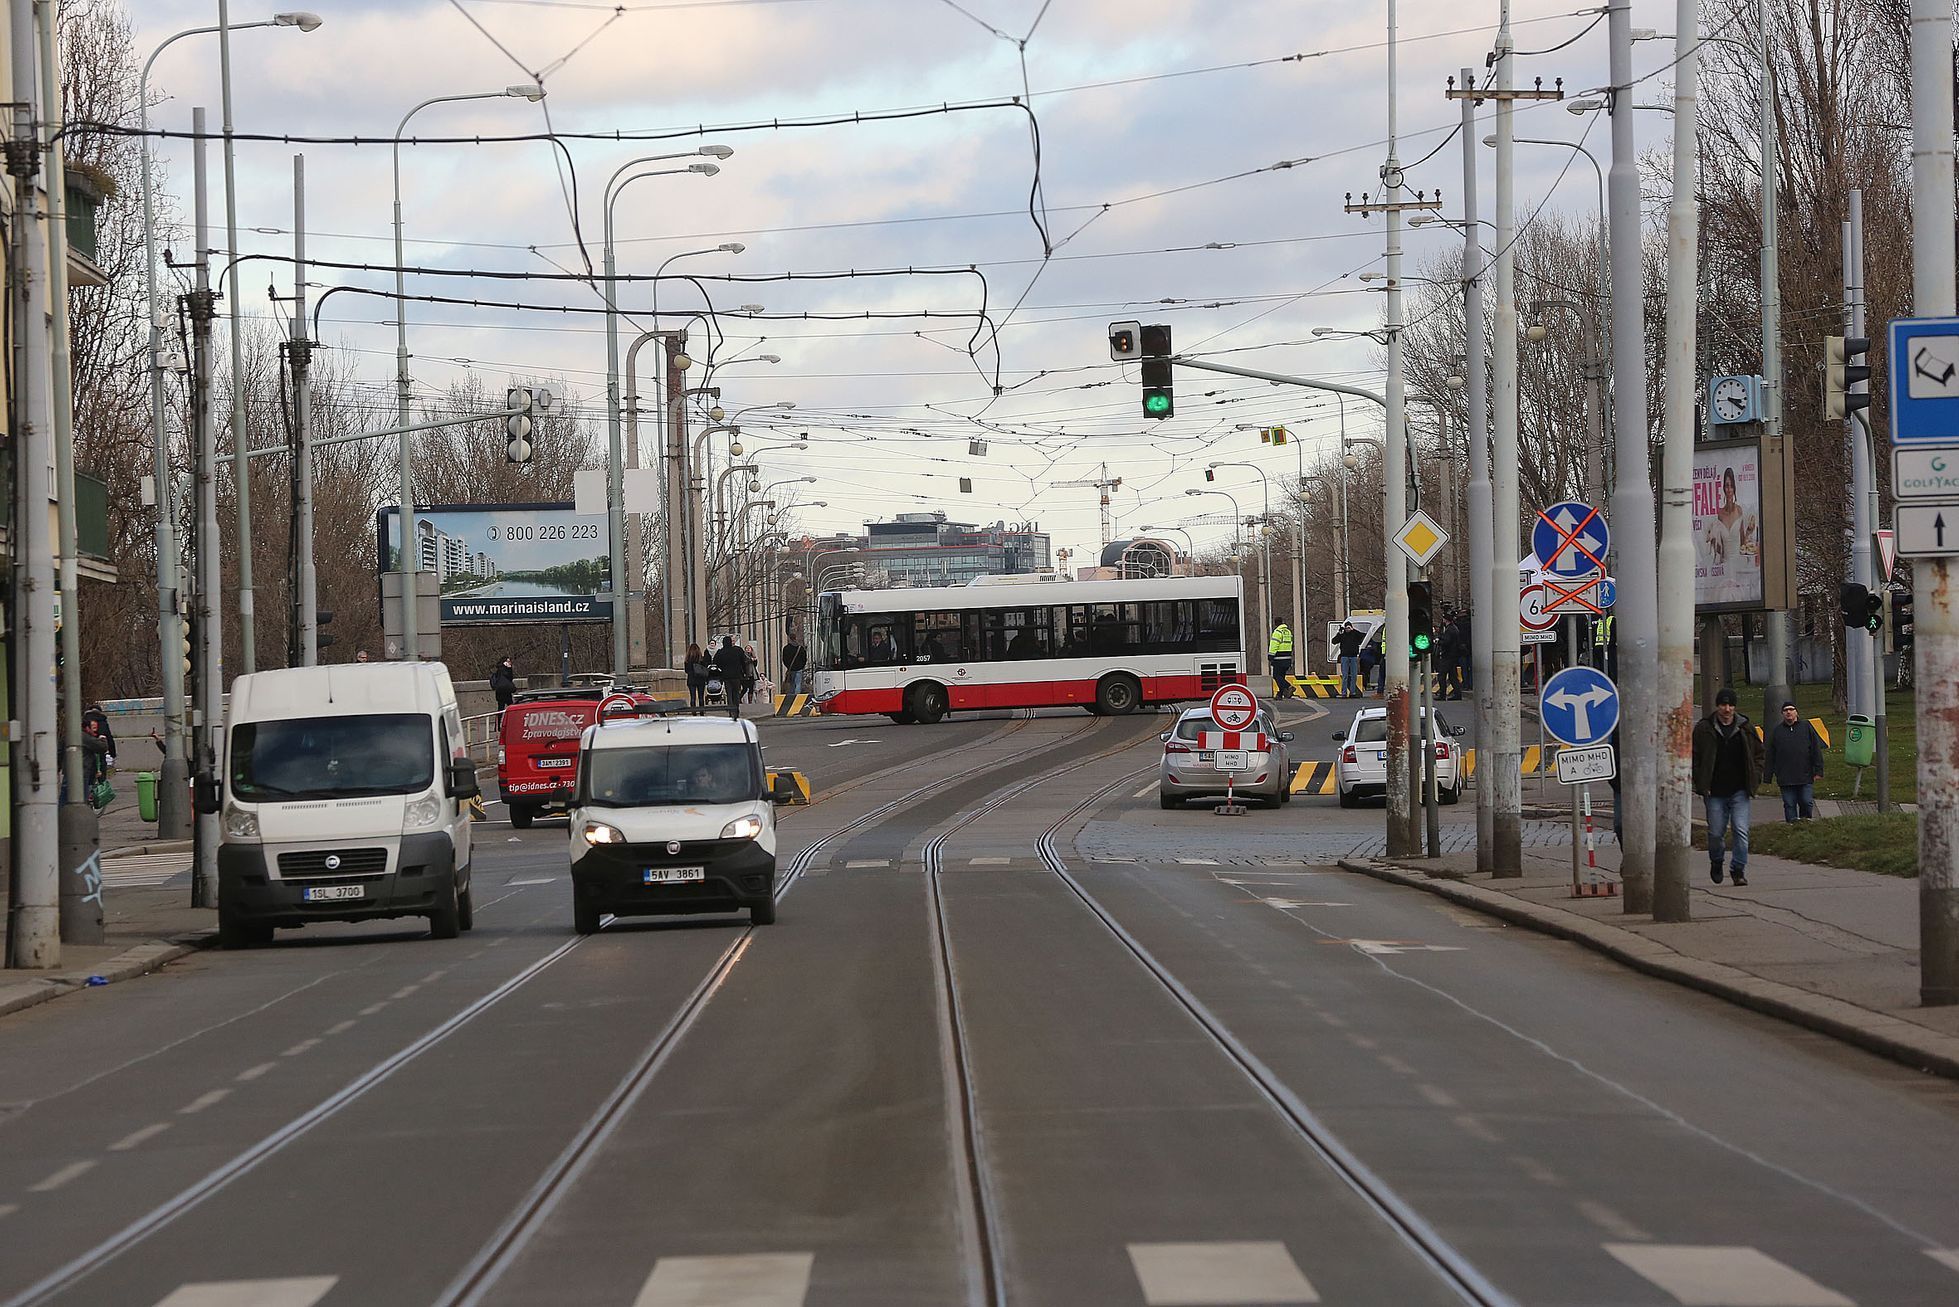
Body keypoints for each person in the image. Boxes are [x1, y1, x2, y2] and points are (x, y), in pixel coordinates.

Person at [1692, 687, 1763, 886]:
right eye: (1723, 705)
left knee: (1741, 830)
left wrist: (1755, 776)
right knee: (1716, 833)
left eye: (1730, 705)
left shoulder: (1745, 727)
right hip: (1714, 791)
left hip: (1740, 789)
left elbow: (1759, 754)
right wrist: (1699, 780)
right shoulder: (1704, 729)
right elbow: (1694, 756)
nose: (1727, 709)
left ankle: (1738, 869)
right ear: (1717, 706)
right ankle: (1716, 861)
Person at [1764, 700, 1826, 822]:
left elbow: (1815, 750)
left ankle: (1805, 822)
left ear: (1796, 712)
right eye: (1785, 710)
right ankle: (1791, 827)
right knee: (1789, 804)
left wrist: (1818, 770)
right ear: (1782, 714)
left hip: (1805, 775)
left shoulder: (1806, 727)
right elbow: (1771, 755)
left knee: (1806, 801)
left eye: (1791, 709)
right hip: (1785, 777)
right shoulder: (1777, 732)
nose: (1788, 712)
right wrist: (1768, 776)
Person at [713, 636, 748, 719]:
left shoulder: (720, 652)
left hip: (726, 676)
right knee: (736, 693)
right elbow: (743, 662)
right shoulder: (738, 650)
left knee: (729, 694)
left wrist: (722, 669)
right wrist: (744, 672)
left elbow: (716, 662)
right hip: (736, 675)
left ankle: (730, 710)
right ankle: (736, 709)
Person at [1334, 621, 1365, 698]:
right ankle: (1344, 693)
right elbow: (1334, 641)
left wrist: (1353, 630)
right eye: (1346, 628)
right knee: (1345, 676)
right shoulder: (1342, 635)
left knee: (1354, 675)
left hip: (1353, 656)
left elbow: (1362, 636)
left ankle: (1352, 692)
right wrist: (1339, 633)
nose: (1347, 629)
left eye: (1349, 628)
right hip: (1344, 656)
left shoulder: (1355, 634)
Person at [1267, 622, 1295, 699]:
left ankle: (1288, 687)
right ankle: (1280, 694)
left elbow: (1274, 645)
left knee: (1276, 676)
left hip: (1279, 658)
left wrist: (1270, 655)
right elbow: (1291, 644)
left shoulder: (1277, 632)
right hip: (1287, 658)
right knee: (1281, 676)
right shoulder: (1288, 632)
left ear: (1275, 624)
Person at [684, 642, 712, 713]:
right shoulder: (701, 659)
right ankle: (702, 711)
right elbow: (705, 668)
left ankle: (693, 712)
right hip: (700, 680)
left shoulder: (687, 660)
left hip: (691, 680)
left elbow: (686, 671)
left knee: (692, 697)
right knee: (701, 697)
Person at [781, 631, 809, 698]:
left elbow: (784, 659)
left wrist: (788, 666)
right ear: (795, 638)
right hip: (799, 668)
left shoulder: (786, 648)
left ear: (789, 639)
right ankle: (797, 696)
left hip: (791, 668)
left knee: (792, 683)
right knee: (798, 683)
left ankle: (791, 696)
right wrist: (802, 666)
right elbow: (804, 658)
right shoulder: (801, 648)